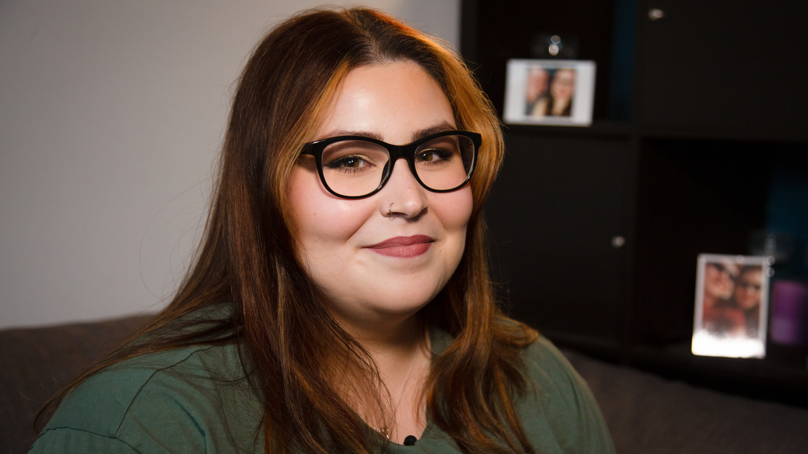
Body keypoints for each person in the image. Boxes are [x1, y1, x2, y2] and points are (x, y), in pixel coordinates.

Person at [30, 7, 615, 454]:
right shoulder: (140, 420)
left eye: (434, 152)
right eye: (350, 160)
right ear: (266, 189)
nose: (409, 200)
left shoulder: (536, 376)